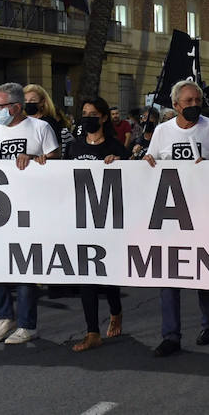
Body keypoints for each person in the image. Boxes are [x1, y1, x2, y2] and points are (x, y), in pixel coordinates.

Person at [141, 80, 209, 357]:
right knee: (169, 275)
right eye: (188, 101)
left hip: (203, 212)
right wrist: (146, 162)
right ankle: (170, 335)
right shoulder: (162, 131)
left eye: (197, 101)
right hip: (170, 214)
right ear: (176, 105)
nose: (193, 105)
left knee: (204, 270)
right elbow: (149, 160)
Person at [0, 82, 60, 345]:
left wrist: (36, 160)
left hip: (30, 210)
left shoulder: (40, 128)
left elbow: (56, 161)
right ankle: (5, 316)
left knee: (24, 267)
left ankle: (27, 324)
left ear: (15, 107)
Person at [65, 97, 129, 352]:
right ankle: (92, 332)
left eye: (93, 113)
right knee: (87, 276)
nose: (88, 117)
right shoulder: (74, 148)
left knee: (108, 274)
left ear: (103, 118)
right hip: (82, 222)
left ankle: (116, 310)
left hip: (108, 222)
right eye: (84, 113)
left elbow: (130, 183)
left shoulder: (116, 149)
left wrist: (121, 165)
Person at [24, 83, 73, 152]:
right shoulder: (21, 122)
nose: (28, 103)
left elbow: (56, 150)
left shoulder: (49, 123)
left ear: (42, 102)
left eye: (33, 100)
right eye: (25, 100)